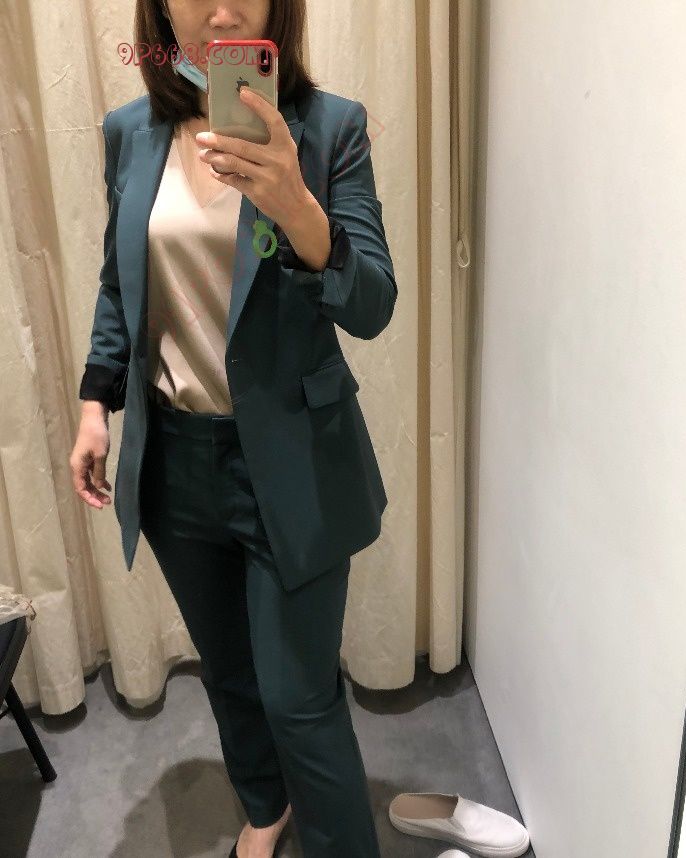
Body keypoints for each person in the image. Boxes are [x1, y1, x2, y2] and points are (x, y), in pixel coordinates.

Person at [70, 1, 397, 856]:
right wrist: (96, 404)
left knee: (301, 700)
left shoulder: (330, 129)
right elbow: (119, 285)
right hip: (175, 461)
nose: (221, 9)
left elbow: (373, 304)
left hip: (293, 460)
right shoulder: (130, 134)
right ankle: (265, 805)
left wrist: (297, 207)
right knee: (229, 672)